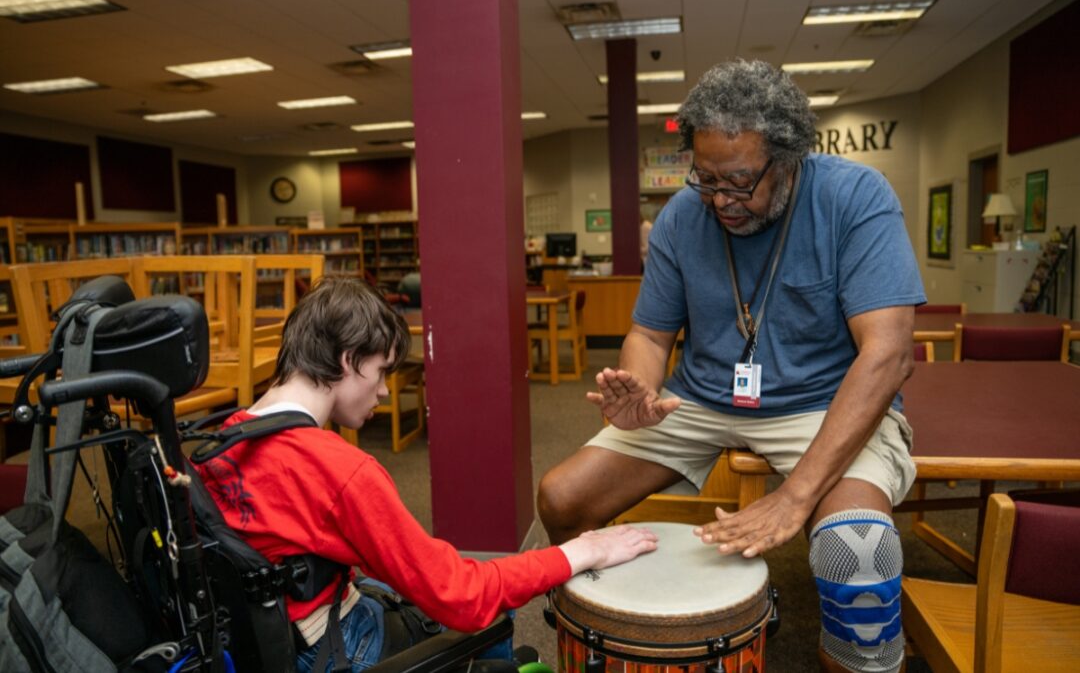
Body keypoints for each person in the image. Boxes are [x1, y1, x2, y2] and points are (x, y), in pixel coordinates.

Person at [537, 59, 924, 673]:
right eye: (706, 178)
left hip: (825, 401)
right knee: (562, 498)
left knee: (859, 548)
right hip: (703, 399)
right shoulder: (682, 218)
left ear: (789, 156)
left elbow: (888, 354)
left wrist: (795, 498)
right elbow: (648, 331)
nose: (721, 199)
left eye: (740, 182)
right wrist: (641, 384)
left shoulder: (855, 197)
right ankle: (611, 636)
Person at [194, 276, 658, 672]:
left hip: (260, 640)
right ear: (348, 359)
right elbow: (462, 596)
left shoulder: (219, 441)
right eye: (379, 373)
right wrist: (578, 552)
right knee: (490, 617)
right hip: (330, 651)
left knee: (402, 580)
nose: (380, 392)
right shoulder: (341, 469)